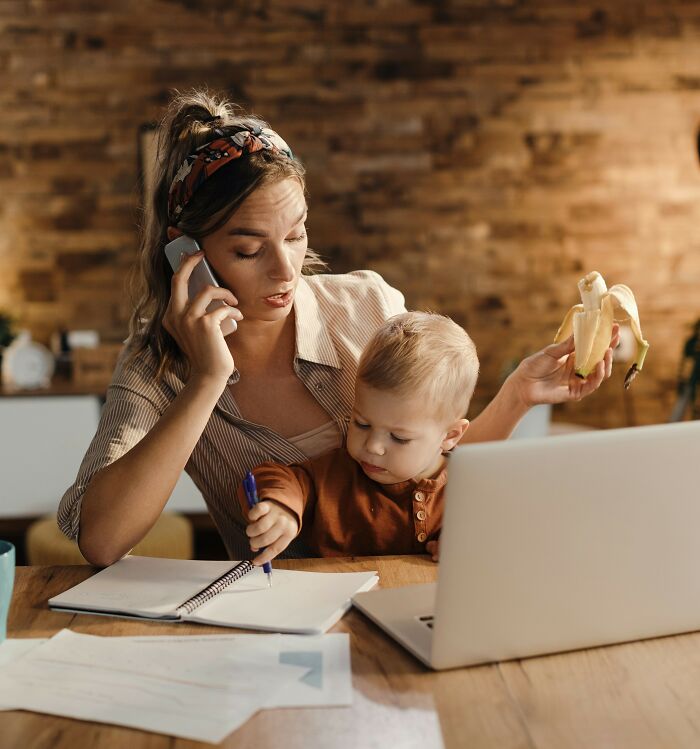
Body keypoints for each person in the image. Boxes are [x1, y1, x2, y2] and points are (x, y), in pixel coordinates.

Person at [58, 89, 617, 568]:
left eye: (297, 234)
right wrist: (206, 380)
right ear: (187, 251)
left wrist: (517, 393)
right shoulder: (156, 367)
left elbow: (437, 460)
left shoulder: (367, 306)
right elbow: (101, 542)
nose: (285, 269)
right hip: (281, 624)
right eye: (250, 249)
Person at [240, 311, 478, 563]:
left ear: (450, 436)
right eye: (362, 424)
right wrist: (282, 507)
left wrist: (468, 543)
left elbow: (504, 538)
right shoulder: (336, 475)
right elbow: (274, 477)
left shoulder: (472, 488)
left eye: (398, 438)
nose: (373, 446)